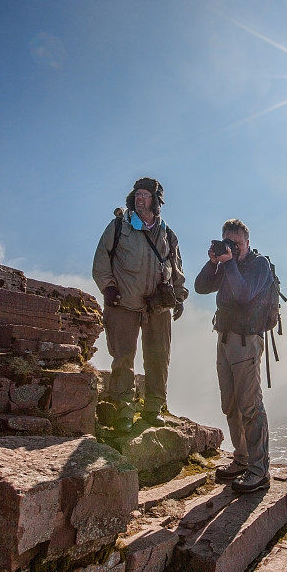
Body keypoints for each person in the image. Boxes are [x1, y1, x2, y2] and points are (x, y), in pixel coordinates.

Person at [92, 177, 188, 431]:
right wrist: (108, 287)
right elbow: (101, 259)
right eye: (137, 194)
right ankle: (124, 410)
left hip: (158, 307)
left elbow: (175, 267)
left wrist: (179, 296)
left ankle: (153, 408)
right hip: (124, 302)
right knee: (123, 358)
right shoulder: (119, 226)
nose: (139, 198)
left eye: (145, 194)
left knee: (158, 358)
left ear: (156, 202)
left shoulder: (167, 233)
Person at [195, 218, 272, 493]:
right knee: (230, 404)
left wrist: (228, 263)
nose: (233, 247)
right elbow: (201, 287)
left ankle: (259, 470)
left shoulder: (258, 265)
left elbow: (244, 294)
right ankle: (241, 459)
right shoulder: (228, 264)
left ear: (247, 242)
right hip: (224, 339)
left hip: (247, 341)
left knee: (250, 405)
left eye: (237, 243)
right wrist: (214, 262)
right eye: (228, 241)